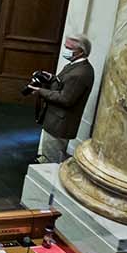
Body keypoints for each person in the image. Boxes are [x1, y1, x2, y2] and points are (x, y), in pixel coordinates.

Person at [31, 34, 95, 164]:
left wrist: (40, 91)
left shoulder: (80, 73)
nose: (65, 50)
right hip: (54, 118)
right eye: (65, 47)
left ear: (81, 51)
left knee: (51, 160)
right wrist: (51, 78)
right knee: (46, 152)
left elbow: (66, 99)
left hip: (60, 123)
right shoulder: (74, 66)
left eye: (69, 48)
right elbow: (64, 83)